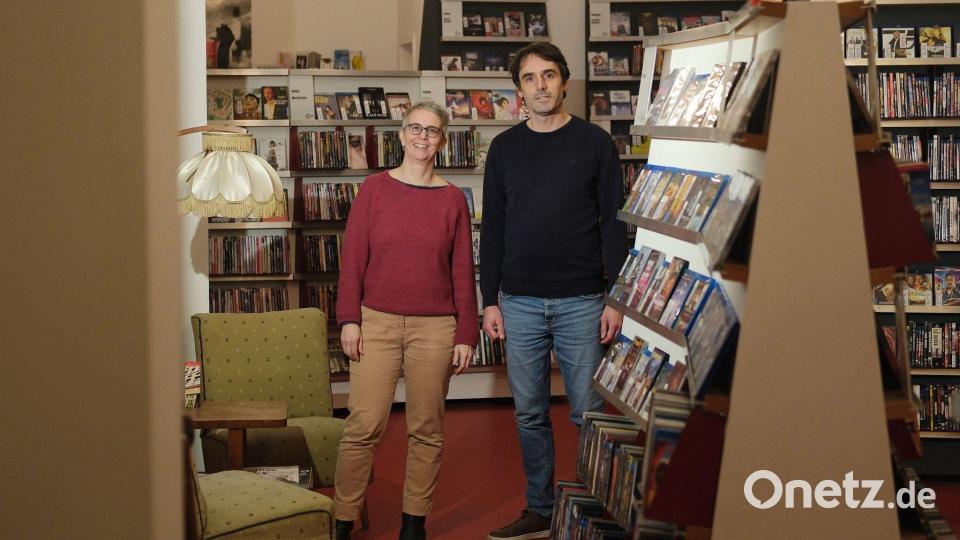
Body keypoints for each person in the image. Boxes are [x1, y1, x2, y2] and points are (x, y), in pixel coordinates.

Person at [480, 43, 627, 540]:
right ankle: (540, 510)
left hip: (583, 302)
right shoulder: (503, 149)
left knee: (589, 413)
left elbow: (614, 225)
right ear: (518, 89)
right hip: (518, 302)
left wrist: (617, 297)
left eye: (548, 75)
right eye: (529, 78)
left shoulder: (595, 144)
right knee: (530, 413)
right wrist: (489, 300)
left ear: (564, 82)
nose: (540, 85)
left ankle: (592, 508)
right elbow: (494, 230)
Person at [334, 101, 478, 540]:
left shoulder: (453, 199)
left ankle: (413, 523)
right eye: (415, 128)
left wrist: (466, 333)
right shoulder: (374, 191)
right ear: (400, 134)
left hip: (434, 329)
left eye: (432, 131)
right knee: (364, 424)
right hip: (374, 323)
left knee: (427, 429)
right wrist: (349, 319)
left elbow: (461, 272)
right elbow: (353, 260)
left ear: (442, 140)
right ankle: (342, 520)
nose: (422, 137)